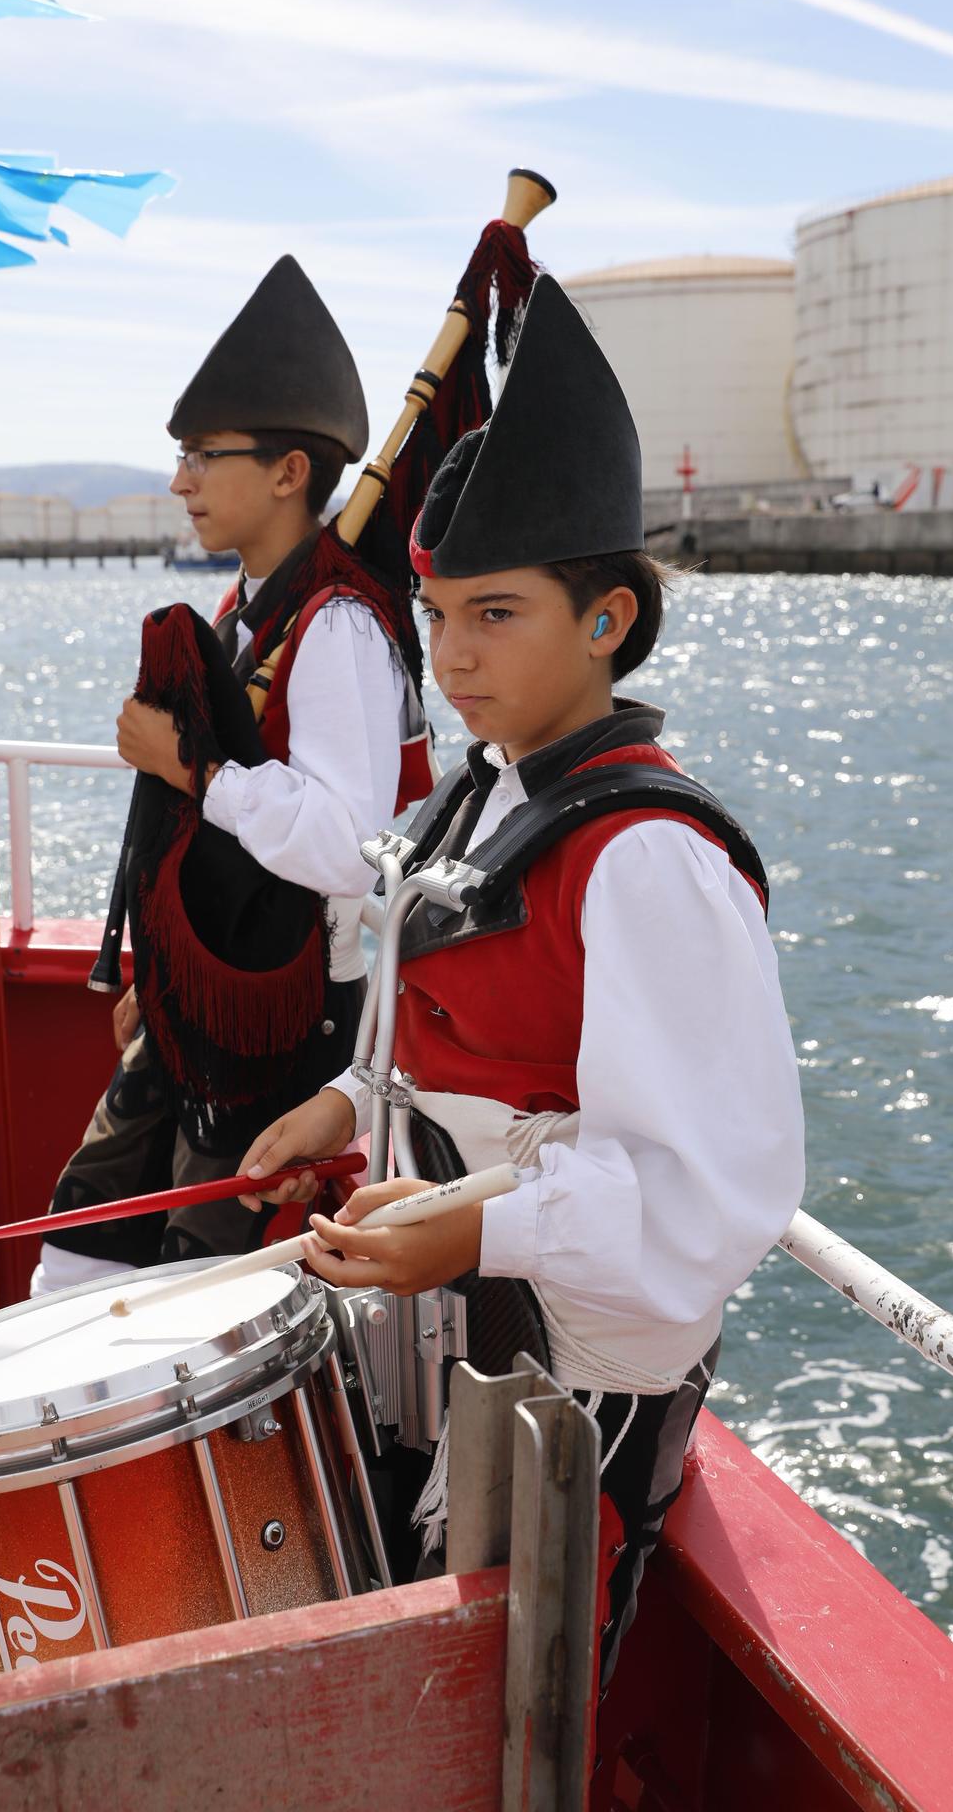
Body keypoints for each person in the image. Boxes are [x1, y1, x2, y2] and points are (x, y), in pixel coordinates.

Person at [234, 272, 805, 1686]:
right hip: (466, 1313)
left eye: (495, 614)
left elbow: (704, 1189)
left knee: (510, 1702)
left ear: (608, 619)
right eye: (435, 618)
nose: (454, 659)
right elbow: (457, 1039)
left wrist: (470, 1235)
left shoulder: (648, 858)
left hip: (579, 1366)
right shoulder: (480, 795)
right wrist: (341, 1103)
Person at [32, 256, 431, 1294]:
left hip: (283, 1018)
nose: (181, 481)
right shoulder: (245, 614)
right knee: (83, 1239)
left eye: (205, 455)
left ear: (289, 470)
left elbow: (347, 843)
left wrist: (189, 766)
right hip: (202, 1004)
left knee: (194, 1282)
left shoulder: (336, 623)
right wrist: (156, 973)